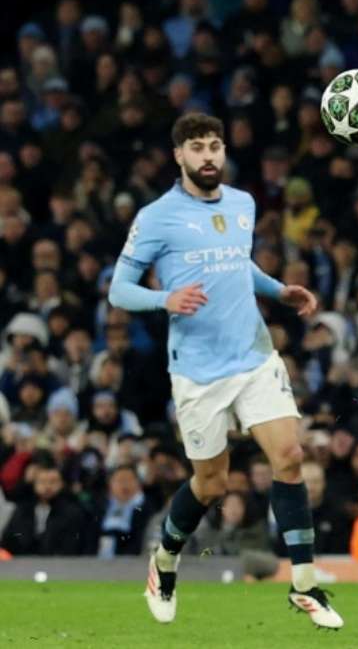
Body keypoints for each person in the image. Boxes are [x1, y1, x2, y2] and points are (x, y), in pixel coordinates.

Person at [107, 113, 341, 629]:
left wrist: (277, 289)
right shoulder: (156, 216)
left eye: (214, 145)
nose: (208, 155)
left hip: (254, 355)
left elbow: (236, 262)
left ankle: (304, 585)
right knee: (211, 484)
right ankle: (164, 561)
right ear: (179, 156)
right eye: (197, 147)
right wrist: (165, 298)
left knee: (290, 456)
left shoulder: (242, 203)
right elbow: (118, 290)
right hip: (198, 370)